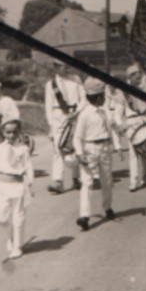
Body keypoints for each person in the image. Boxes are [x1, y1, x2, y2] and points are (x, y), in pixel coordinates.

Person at [73, 78, 115, 230]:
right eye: (103, 95)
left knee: (107, 181)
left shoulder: (103, 113)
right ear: (98, 97)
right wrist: (79, 154)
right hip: (89, 149)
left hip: (104, 148)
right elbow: (77, 137)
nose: (105, 98)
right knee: (87, 182)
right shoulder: (84, 115)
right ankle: (84, 216)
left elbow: (109, 131)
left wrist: (114, 145)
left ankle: (107, 207)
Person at [0, 117, 34, 259]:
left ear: (19, 132)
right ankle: (10, 236)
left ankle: (17, 246)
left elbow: (28, 166)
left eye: (14, 132)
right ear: (3, 132)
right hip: (3, 185)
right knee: (2, 217)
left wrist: (30, 183)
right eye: (8, 132)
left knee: (18, 216)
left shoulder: (23, 149)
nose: (11, 135)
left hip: (18, 185)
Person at [44, 63, 83, 194]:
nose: (66, 67)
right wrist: (50, 126)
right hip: (58, 117)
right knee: (58, 147)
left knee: (76, 146)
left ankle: (76, 177)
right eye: (61, 66)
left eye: (66, 65)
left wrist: (78, 111)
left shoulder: (76, 79)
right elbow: (48, 106)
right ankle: (58, 181)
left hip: (75, 114)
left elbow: (83, 98)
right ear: (55, 68)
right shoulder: (51, 84)